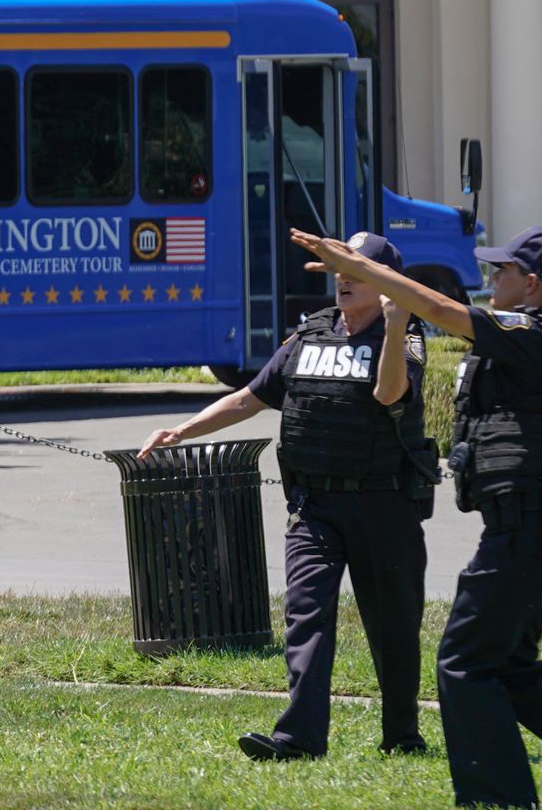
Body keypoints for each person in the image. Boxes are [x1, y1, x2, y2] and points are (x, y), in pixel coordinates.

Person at [293, 225, 542, 809]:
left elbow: (437, 307)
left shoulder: (532, 332)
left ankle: (497, 799)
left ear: (532, 284)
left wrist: (362, 269)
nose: (490, 279)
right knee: (506, 661)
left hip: (533, 520)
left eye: (502, 271)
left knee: (465, 661)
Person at [141, 233, 433, 762]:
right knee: (306, 617)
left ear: (387, 283)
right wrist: (184, 430)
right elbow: (250, 398)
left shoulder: (406, 335)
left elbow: (390, 393)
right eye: (339, 267)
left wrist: (394, 323)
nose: (342, 277)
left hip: (382, 503)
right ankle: (298, 738)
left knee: (393, 626)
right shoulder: (311, 334)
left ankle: (402, 734)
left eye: (356, 270)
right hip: (314, 505)